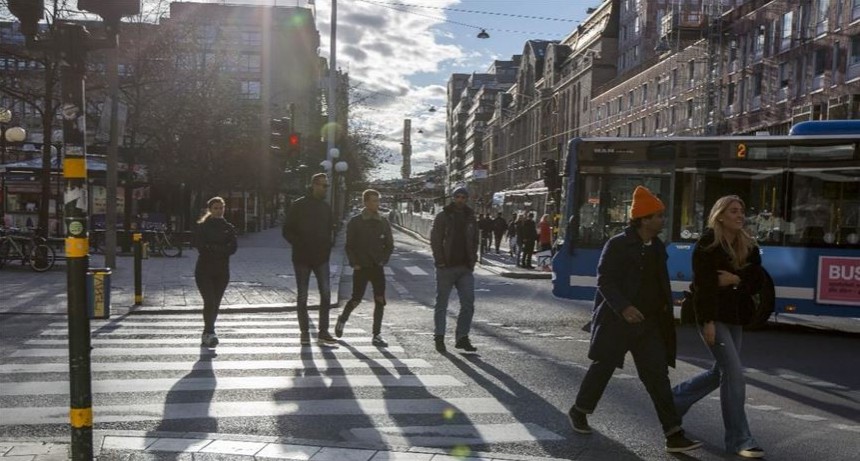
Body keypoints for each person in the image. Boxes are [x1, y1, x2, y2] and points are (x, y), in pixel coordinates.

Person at [568, 186, 702, 453]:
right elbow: (604, 280)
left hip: (649, 324)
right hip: (617, 322)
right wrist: (624, 307)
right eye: (658, 216)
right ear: (643, 219)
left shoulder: (657, 247)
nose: (662, 220)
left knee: (657, 376)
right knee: (603, 368)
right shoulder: (617, 244)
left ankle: (674, 434)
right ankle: (579, 410)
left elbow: (659, 285)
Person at [672, 195, 766, 459]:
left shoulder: (748, 244)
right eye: (733, 211)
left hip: (735, 316)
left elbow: (757, 280)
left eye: (742, 210)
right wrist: (708, 322)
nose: (740, 215)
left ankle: (673, 402)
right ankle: (740, 439)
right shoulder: (707, 244)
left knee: (721, 371)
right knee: (734, 374)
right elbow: (703, 286)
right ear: (720, 216)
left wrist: (735, 278)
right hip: (712, 316)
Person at [283, 173, 338, 347]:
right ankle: (305, 333)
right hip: (302, 257)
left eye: (327, 186)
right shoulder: (298, 205)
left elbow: (331, 229)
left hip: (321, 257)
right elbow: (287, 230)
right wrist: (299, 243)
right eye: (323, 185)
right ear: (314, 185)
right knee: (303, 296)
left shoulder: (325, 207)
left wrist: (328, 245)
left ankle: (323, 332)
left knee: (326, 294)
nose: (325, 189)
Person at [335, 189, 394, 347]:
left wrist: (383, 260)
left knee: (380, 300)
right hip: (361, 267)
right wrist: (354, 262)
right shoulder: (356, 221)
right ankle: (342, 319)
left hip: (377, 267)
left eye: (378, 200)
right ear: (365, 202)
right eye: (373, 201)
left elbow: (389, 245)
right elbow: (349, 246)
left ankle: (376, 335)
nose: (377, 204)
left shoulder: (383, 221)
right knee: (356, 299)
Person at [430, 186, 479, 353]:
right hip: (446, 267)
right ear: (453, 198)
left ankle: (462, 337)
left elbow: (475, 240)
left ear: (467, 199)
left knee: (468, 303)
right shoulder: (443, 216)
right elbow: (435, 239)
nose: (460, 200)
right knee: (442, 303)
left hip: (465, 268)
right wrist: (440, 261)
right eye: (457, 196)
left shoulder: (470, 217)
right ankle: (439, 337)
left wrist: (473, 260)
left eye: (463, 197)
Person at [194, 196, 237, 348]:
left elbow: (233, 248)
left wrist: (215, 248)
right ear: (210, 210)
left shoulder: (228, 227)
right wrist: (220, 249)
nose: (219, 211)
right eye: (216, 208)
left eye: (221, 208)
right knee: (210, 301)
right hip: (204, 270)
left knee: (216, 303)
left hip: (222, 271)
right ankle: (210, 332)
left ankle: (208, 332)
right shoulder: (203, 227)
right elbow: (201, 246)